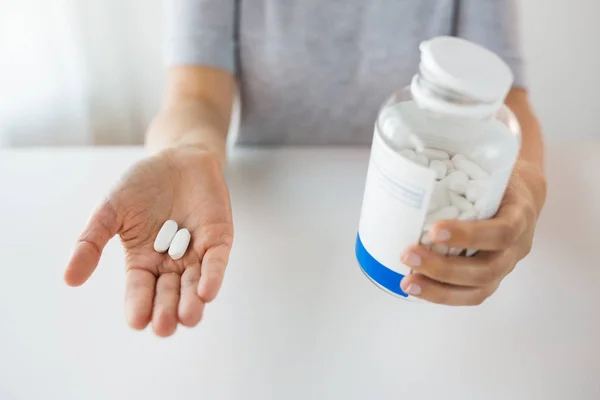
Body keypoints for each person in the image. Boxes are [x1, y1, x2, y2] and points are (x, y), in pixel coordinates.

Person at [64, 0, 547, 337]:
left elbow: (507, 106)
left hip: (420, 243)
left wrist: (523, 185)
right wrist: (186, 151)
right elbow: (194, 97)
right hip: (273, 228)